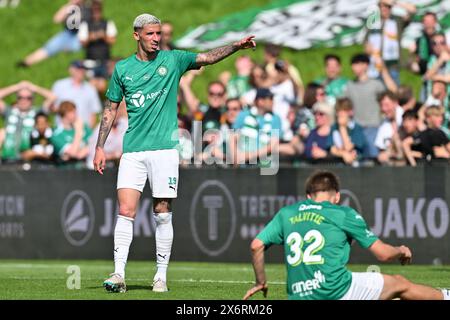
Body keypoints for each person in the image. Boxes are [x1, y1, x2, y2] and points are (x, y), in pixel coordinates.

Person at [93, 13, 256, 293]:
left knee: (162, 211)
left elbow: (206, 58)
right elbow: (110, 109)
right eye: (151, 34)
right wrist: (99, 146)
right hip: (133, 150)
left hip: (166, 150)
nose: (157, 39)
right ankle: (119, 274)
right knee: (126, 210)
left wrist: (235, 47)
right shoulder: (123, 69)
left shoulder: (173, 60)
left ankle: (161, 276)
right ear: (137, 36)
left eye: (159, 34)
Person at [244, 170, 450, 300]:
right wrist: (401, 250)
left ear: (308, 196)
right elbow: (383, 255)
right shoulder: (341, 212)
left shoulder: (286, 213)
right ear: (337, 196)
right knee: (399, 284)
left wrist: (260, 281)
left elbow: (256, 245)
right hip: (336, 292)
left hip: (299, 295)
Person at [344, 53, 397, 159]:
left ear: (366, 65)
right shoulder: (350, 86)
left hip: (373, 128)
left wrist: (383, 70)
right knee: (357, 159)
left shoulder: (376, 85)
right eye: (353, 64)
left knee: (373, 158)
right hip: (356, 129)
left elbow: (393, 93)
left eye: (358, 64)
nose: (354, 67)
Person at [17, 0, 90, 67]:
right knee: (49, 47)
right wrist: (70, 4)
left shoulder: (88, 7)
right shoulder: (70, 7)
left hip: (80, 36)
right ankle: (26, 63)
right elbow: (56, 19)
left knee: (76, 51)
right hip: (67, 33)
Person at [0, 81, 56, 163]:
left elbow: (53, 97)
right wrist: (16, 87)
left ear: (32, 99)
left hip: (29, 159)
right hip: (7, 157)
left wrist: (34, 88)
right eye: (20, 97)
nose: (24, 100)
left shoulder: (38, 113)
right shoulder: (9, 112)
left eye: (28, 98)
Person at [364, 0, 416, 85]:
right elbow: (366, 43)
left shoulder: (397, 21)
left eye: (386, 6)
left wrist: (395, 2)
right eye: (381, 6)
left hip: (392, 65)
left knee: (394, 93)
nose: (384, 9)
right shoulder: (373, 22)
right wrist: (368, 49)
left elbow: (412, 11)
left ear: (391, 8)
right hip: (375, 66)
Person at [231, 88, 281, 166]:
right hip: (241, 165)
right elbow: (232, 138)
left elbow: (272, 145)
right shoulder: (243, 115)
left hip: (264, 166)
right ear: (260, 101)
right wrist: (235, 156)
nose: (273, 102)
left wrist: (247, 156)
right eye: (270, 99)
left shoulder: (276, 119)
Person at [78, 0, 118, 94]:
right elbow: (82, 43)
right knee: (92, 85)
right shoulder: (85, 25)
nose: (96, 14)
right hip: (90, 61)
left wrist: (103, 36)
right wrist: (90, 38)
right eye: (94, 11)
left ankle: (100, 103)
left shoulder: (107, 23)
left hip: (104, 60)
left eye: (98, 11)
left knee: (102, 85)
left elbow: (112, 40)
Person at [52, 60, 103, 128]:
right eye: (78, 69)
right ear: (71, 69)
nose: (81, 71)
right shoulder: (59, 85)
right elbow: (52, 107)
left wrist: (89, 132)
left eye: (83, 69)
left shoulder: (90, 89)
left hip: (82, 131)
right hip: (62, 130)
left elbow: (93, 114)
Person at [327, 98, 366, 165]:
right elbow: (332, 150)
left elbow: (348, 147)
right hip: (338, 164)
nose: (340, 114)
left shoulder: (356, 128)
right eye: (338, 111)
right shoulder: (334, 128)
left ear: (350, 112)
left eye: (344, 110)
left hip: (356, 165)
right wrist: (343, 154)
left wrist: (342, 127)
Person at [51, 101, 91, 165]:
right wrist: (78, 131)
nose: (76, 115)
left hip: (87, 167)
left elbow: (95, 144)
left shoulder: (85, 127)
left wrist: (84, 151)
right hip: (67, 171)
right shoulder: (57, 135)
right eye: (73, 112)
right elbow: (73, 153)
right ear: (66, 114)